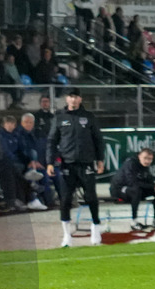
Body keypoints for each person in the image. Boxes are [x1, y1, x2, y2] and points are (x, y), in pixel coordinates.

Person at [47, 87, 105, 247]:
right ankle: (66, 236)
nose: (73, 99)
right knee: (65, 200)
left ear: (80, 99)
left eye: (76, 97)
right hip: (67, 164)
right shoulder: (59, 117)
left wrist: (100, 160)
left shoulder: (89, 117)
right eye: (70, 96)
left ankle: (95, 229)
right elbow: (52, 141)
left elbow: (98, 139)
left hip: (86, 163)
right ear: (67, 99)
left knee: (91, 197)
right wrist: (50, 162)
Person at [110, 148, 155, 231]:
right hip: (119, 189)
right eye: (145, 158)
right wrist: (152, 186)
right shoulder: (131, 164)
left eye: (150, 159)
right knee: (136, 190)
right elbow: (132, 182)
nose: (147, 161)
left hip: (135, 189)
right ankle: (134, 221)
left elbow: (149, 181)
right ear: (139, 156)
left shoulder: (145, 167)